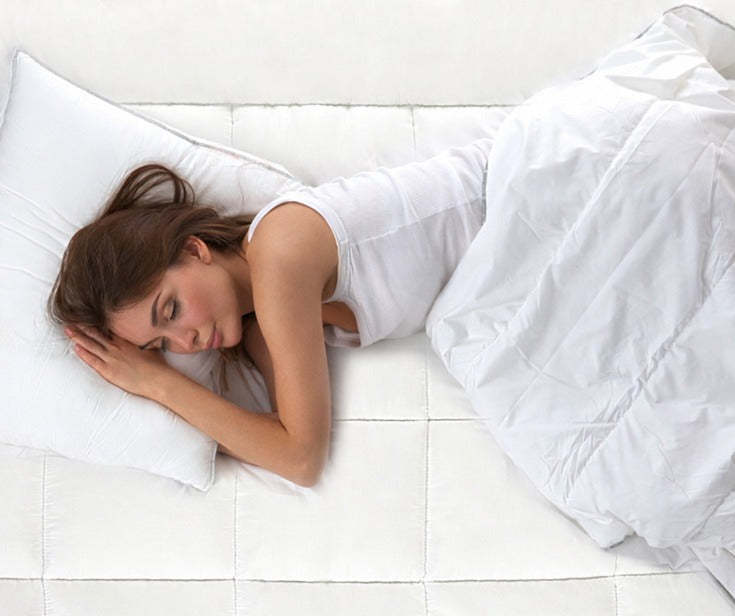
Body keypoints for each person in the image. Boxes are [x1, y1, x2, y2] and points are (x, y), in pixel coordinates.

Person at [47, 139, 492, 486]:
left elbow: (302, 458)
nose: (186, 342)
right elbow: (282, 447)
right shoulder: (259, 322)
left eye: (172, 309)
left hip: (510, 204)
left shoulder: (279, 254)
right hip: (493, 270)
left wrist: (158, 382)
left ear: (194, 249)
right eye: (160, 345)